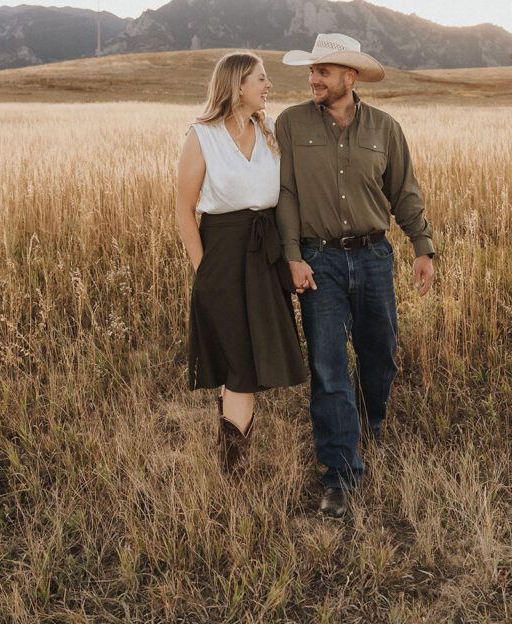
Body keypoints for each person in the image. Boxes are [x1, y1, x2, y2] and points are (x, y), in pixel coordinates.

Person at [276, 33, 435, 517]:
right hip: (317, 259)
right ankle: (340, 474)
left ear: (349, 76)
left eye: (323, 71)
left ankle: (369, 424)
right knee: (328, 367)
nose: (313, 79)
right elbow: (285, 194)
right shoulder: (290, 123)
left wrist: (422, 246)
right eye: (312, 71)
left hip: (373, 256)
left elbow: (403, 190)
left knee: (380, 353)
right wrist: (291, 255)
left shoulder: (385, 128)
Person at [176, 52, 307, 475]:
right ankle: (235, 469)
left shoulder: (269, 129)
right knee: (238, 361)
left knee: (253, 359)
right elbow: (183, 210)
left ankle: (234, 463)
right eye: (261, 79)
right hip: (222, 257)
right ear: (237, 86)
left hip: (264, 256)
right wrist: (204, 273)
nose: (269, 86)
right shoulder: (202, 135)